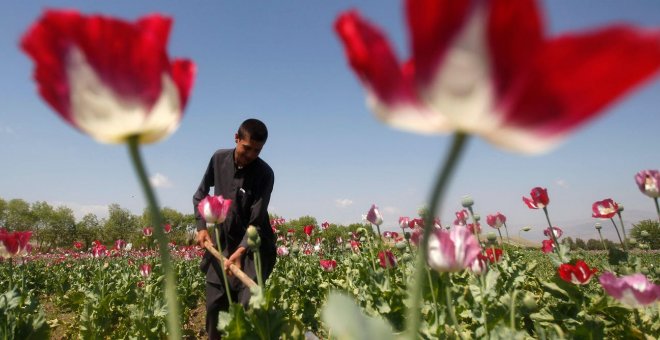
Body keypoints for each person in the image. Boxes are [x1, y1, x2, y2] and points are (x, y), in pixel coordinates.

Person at [193, 118, 276, 339]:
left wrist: (240, 251)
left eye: (257, 151)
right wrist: (202, 227)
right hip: (222, 244)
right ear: (236, 138)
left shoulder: (265, 174)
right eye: (246, 148)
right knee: (214, 308)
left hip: (252, 249)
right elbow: (200, 195)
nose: (250, 155)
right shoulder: (218, 158)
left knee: (247, 309)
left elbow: (256, 222)